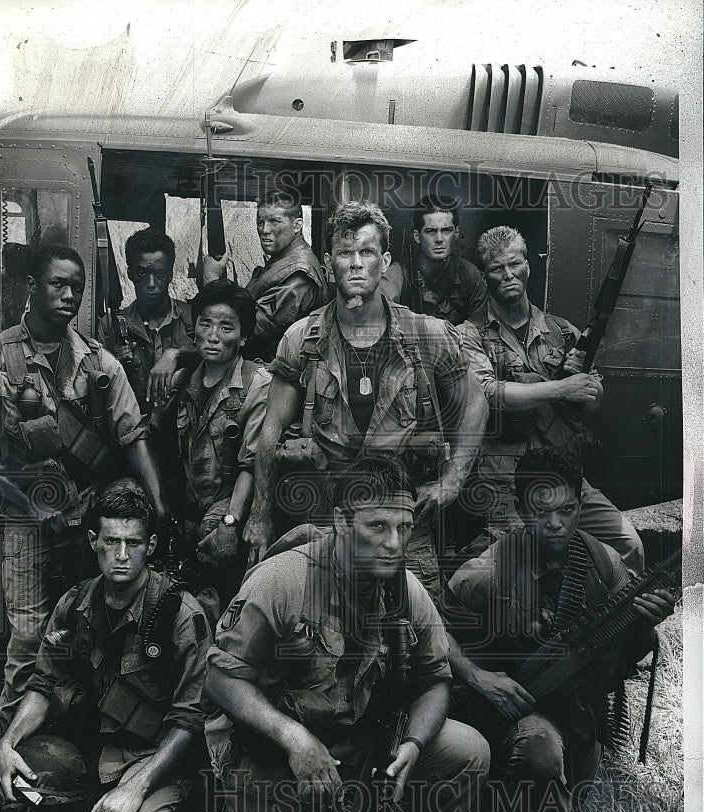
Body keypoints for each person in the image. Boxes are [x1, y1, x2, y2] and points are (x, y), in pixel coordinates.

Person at [204, 457, 491, 812]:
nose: (395, 543)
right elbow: (219, 678)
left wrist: (413, 746)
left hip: (360, 737)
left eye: (404, 527)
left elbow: (437, 678)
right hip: (274, 748)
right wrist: (294, 739)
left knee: (468, 751)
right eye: (377, 525)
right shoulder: (283, 580)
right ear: (341, 520)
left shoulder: (404, 589)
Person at [445, 447, 675, 812]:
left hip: (580, 716)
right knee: (539, 753)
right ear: (520, 509)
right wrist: (478, 675)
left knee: (560, 771)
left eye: (568, 510)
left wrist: (647, 622)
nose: (557, 525)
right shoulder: (489, 570)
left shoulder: (605, 564)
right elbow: (435, 632)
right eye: (542, 512)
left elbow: (623, 654)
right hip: (519, 712)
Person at [0, 244, 169, 726]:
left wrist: (158, 503)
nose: (70, 294)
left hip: (88, 519)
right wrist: (33, 503)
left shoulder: (98, 365)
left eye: (77, 286)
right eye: (58, 284)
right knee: (29, 632)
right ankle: (14, 741)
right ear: (32, 287)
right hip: (25, 520)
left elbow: (131, 434)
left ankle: (80, 733)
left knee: (87, 629)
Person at [243, 200, 488, 608]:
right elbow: (270, 431)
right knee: (318, 634)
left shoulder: (426, 335)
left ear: (385, 260)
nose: (356, 263)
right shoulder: (302, 340)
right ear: (327, 263)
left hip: (402, 525)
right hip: (329, 520)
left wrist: (454, 477)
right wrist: (261, 514)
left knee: (419, 638)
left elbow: (475, 399)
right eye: (345, 253)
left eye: (367, 252)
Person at [0, 485, 212, 812]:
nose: (122, 554)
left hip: (153, 761)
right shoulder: (74, 604)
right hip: (93, 756)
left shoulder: (179, 615)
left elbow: (190, 719)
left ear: (151, 546)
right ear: (94, 542)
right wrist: (6, 743)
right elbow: (42, 683)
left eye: (134, 542)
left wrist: (137, 787)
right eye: (111, 541)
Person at [457, 225, 644, 574]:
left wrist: (583, 380)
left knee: (628, 546)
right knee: (517, 571)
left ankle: (612, 623)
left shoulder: (560, 330)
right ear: (485, 276)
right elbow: (487, 394)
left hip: (564, 476)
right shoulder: (469, 334)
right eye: (497, 269)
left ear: (528, 266)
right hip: (507, 481)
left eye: (514, 264)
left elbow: (592, 399)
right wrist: (561, 387)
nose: (508, 275)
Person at [154, 280, 271, 603]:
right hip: (189, 507)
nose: (214, 336)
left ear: (243, 337)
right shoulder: (181, 383)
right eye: (205, 324)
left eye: (226, 327)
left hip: (232, 507)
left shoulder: (256, 385)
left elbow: (252, 463)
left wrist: (230, 523)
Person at [203, 191, 328, 361]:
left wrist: (212, 281)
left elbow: (249, 331)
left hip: (270, 374)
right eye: (260, 222)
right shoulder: (281, 261)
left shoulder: (299, 275)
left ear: (297, 225)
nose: (265, 230)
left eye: (275, 221)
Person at [97, 227, 196, 414]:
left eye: (159, 274)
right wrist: (115, 365)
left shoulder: (191, 319)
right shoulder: (111, 326)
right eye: (143, 273)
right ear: (130, 274)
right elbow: (99, 392)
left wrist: (177, 355)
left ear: (170, 275)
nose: (151, 284)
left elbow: (216, 358)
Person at [381, 194, 487, 325]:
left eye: (446, 230)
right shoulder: (399, 275)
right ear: (417, 236)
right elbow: (381, 316)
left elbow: (478, 330)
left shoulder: (469, 275)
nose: (439, 239)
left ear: (457, 233)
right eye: (431, 231)